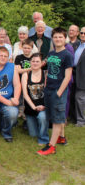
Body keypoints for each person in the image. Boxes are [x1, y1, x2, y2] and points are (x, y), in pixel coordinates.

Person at [37, 28, 73, 156]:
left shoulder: (67, 55)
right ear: (53, 38)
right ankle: (61, 138)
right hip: (49, 89)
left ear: (65, 39)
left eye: (60, 37)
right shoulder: (51, 53)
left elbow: (67, 77)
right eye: (56, 37)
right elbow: (47, 68)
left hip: (59, 91)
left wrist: (59, 93)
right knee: (54, 115)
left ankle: (51, 146)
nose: (58, 39)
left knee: (57, 119)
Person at [21, 53, 49, 145]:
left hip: (43, 107)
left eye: (37, 61)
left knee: (42, 117)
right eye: (33, 61)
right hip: (31, 109)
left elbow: (49, 94)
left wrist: (44, 106)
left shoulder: (45, 74)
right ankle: (30, 122)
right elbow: (25, 94)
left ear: (41, 63)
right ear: (30, 62)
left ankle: (43, 139)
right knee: (33, 134)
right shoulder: (26, 74)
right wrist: (34, 107)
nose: (35, 63)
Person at [15, 38, 34, 121]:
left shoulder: (34, 58)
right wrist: (30, 68)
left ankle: (27, 111)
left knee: (29, 95)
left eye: (28, 48)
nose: (26, 50)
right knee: (20, 96)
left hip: (31, 80)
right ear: (22, 48)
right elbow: (18, 70)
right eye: (25, 48)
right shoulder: (19, 58)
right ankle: (20, 111)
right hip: (19, 80)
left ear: (32, 48)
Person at [74, 26, 85, 127]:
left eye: (84, 33)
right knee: (77, 97)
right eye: (81, 33)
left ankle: (81, 121)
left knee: (80, 98)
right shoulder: (77, 44)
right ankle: (76, 118)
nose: (82, 35)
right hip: (74, 73)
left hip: (83, 75)